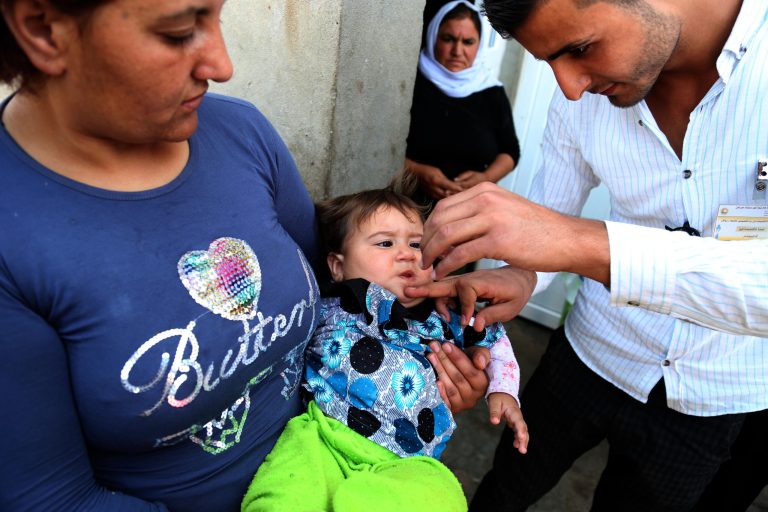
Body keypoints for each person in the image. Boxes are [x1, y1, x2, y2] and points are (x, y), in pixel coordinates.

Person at [404, 0, 768, 510]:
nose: (571, 87)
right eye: (550, 62)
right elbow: (549, 214)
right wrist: (522, 278)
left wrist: (583, 243)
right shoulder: (581, 94)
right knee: (507, 485)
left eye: (579, 48)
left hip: (716, 392)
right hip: (593, 348)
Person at [241, 187, 528, 511]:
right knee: (286, 495)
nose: (407, 253)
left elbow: (494, 339)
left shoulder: (447, 316)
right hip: (322, 437)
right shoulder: (325, 306)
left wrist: (504, 390)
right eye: (385, 243)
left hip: (408, 462)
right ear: (338, 265)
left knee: (442, 496)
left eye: (418, 244)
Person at [405, 0, 520, 209]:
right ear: (433, 37)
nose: (457, 51)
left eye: (468, 42)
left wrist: (485, 177)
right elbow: (383, 144)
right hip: (409, 205)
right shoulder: (411, 83)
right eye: (448, 39)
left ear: (480, 44)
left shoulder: (491, 92)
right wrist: (417, 171)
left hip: (468, 209)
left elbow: (510, 151)